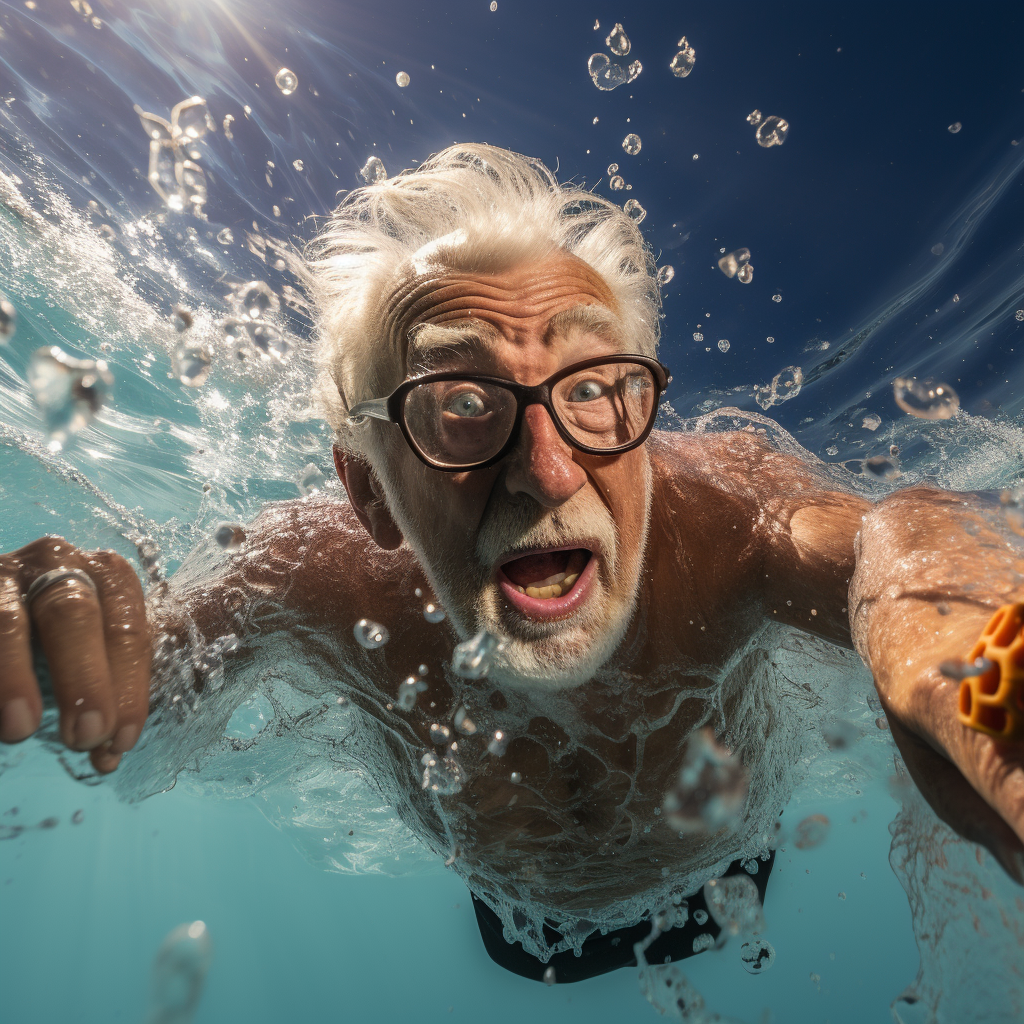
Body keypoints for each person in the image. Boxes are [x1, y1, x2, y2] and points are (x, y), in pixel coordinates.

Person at [1, 144, 1021, 982]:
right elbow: (146, 669)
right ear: (368, 492)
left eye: (590, 388)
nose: (546, 468)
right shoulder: (313, 577)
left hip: (730, 868)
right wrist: (63, 635)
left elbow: (894, 535)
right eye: (458, 404)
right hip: (522, 934)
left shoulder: (723, 518)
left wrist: (964, 641)